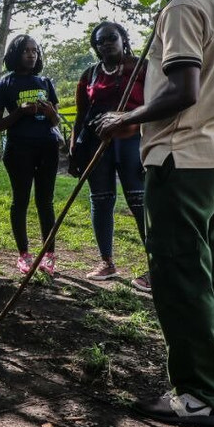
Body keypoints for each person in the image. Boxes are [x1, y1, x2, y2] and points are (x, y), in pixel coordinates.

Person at [97, 0, 214, 427]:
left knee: (182, 280)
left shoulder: (182, 9)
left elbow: (184, 89)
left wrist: (126, 119)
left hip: (179, 163)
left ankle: (200, 396)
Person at [70, 22, 149, 291]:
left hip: (133, 142)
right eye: (100, 41)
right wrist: (74, 151)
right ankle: (106, 261)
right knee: (101, 200)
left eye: (111, 38)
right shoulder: (90, 74)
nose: (106, 44)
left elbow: (156, 104)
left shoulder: (142, 68)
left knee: (140, 202)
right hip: (98, 145)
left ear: (123, 38)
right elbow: (82, 115)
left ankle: (156, 264)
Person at [0, 34, 62, 276]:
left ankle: (48, 255)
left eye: (35, 51)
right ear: (15, 54)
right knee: (20, 201)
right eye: (26, 50)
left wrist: (51, 115)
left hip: (47, 148)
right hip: (19, 150)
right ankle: (24, 256)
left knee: (45, 201)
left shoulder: (45, 82)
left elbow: (56, 120)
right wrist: (21, 111)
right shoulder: (5, 85)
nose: (32, 54)